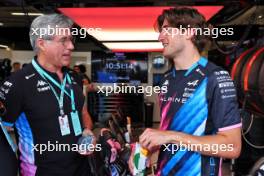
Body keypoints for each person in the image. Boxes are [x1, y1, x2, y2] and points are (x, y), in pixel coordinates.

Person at [130, 7, 242, 176]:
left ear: (189, 32)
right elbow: (168, 132)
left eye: (166, 30)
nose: (160, 37)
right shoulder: (167, 78)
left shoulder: (216, 77)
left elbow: (232, 147)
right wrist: (145, 150)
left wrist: (171, 136)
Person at [0, 14, 94, 176]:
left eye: (71, 40)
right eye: (64, 40)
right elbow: (3, 129)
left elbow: (83, 112)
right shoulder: (17, 83)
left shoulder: (74, 78)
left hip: (81, 169)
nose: (71, 46)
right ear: (42, 44)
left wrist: (87, 131)